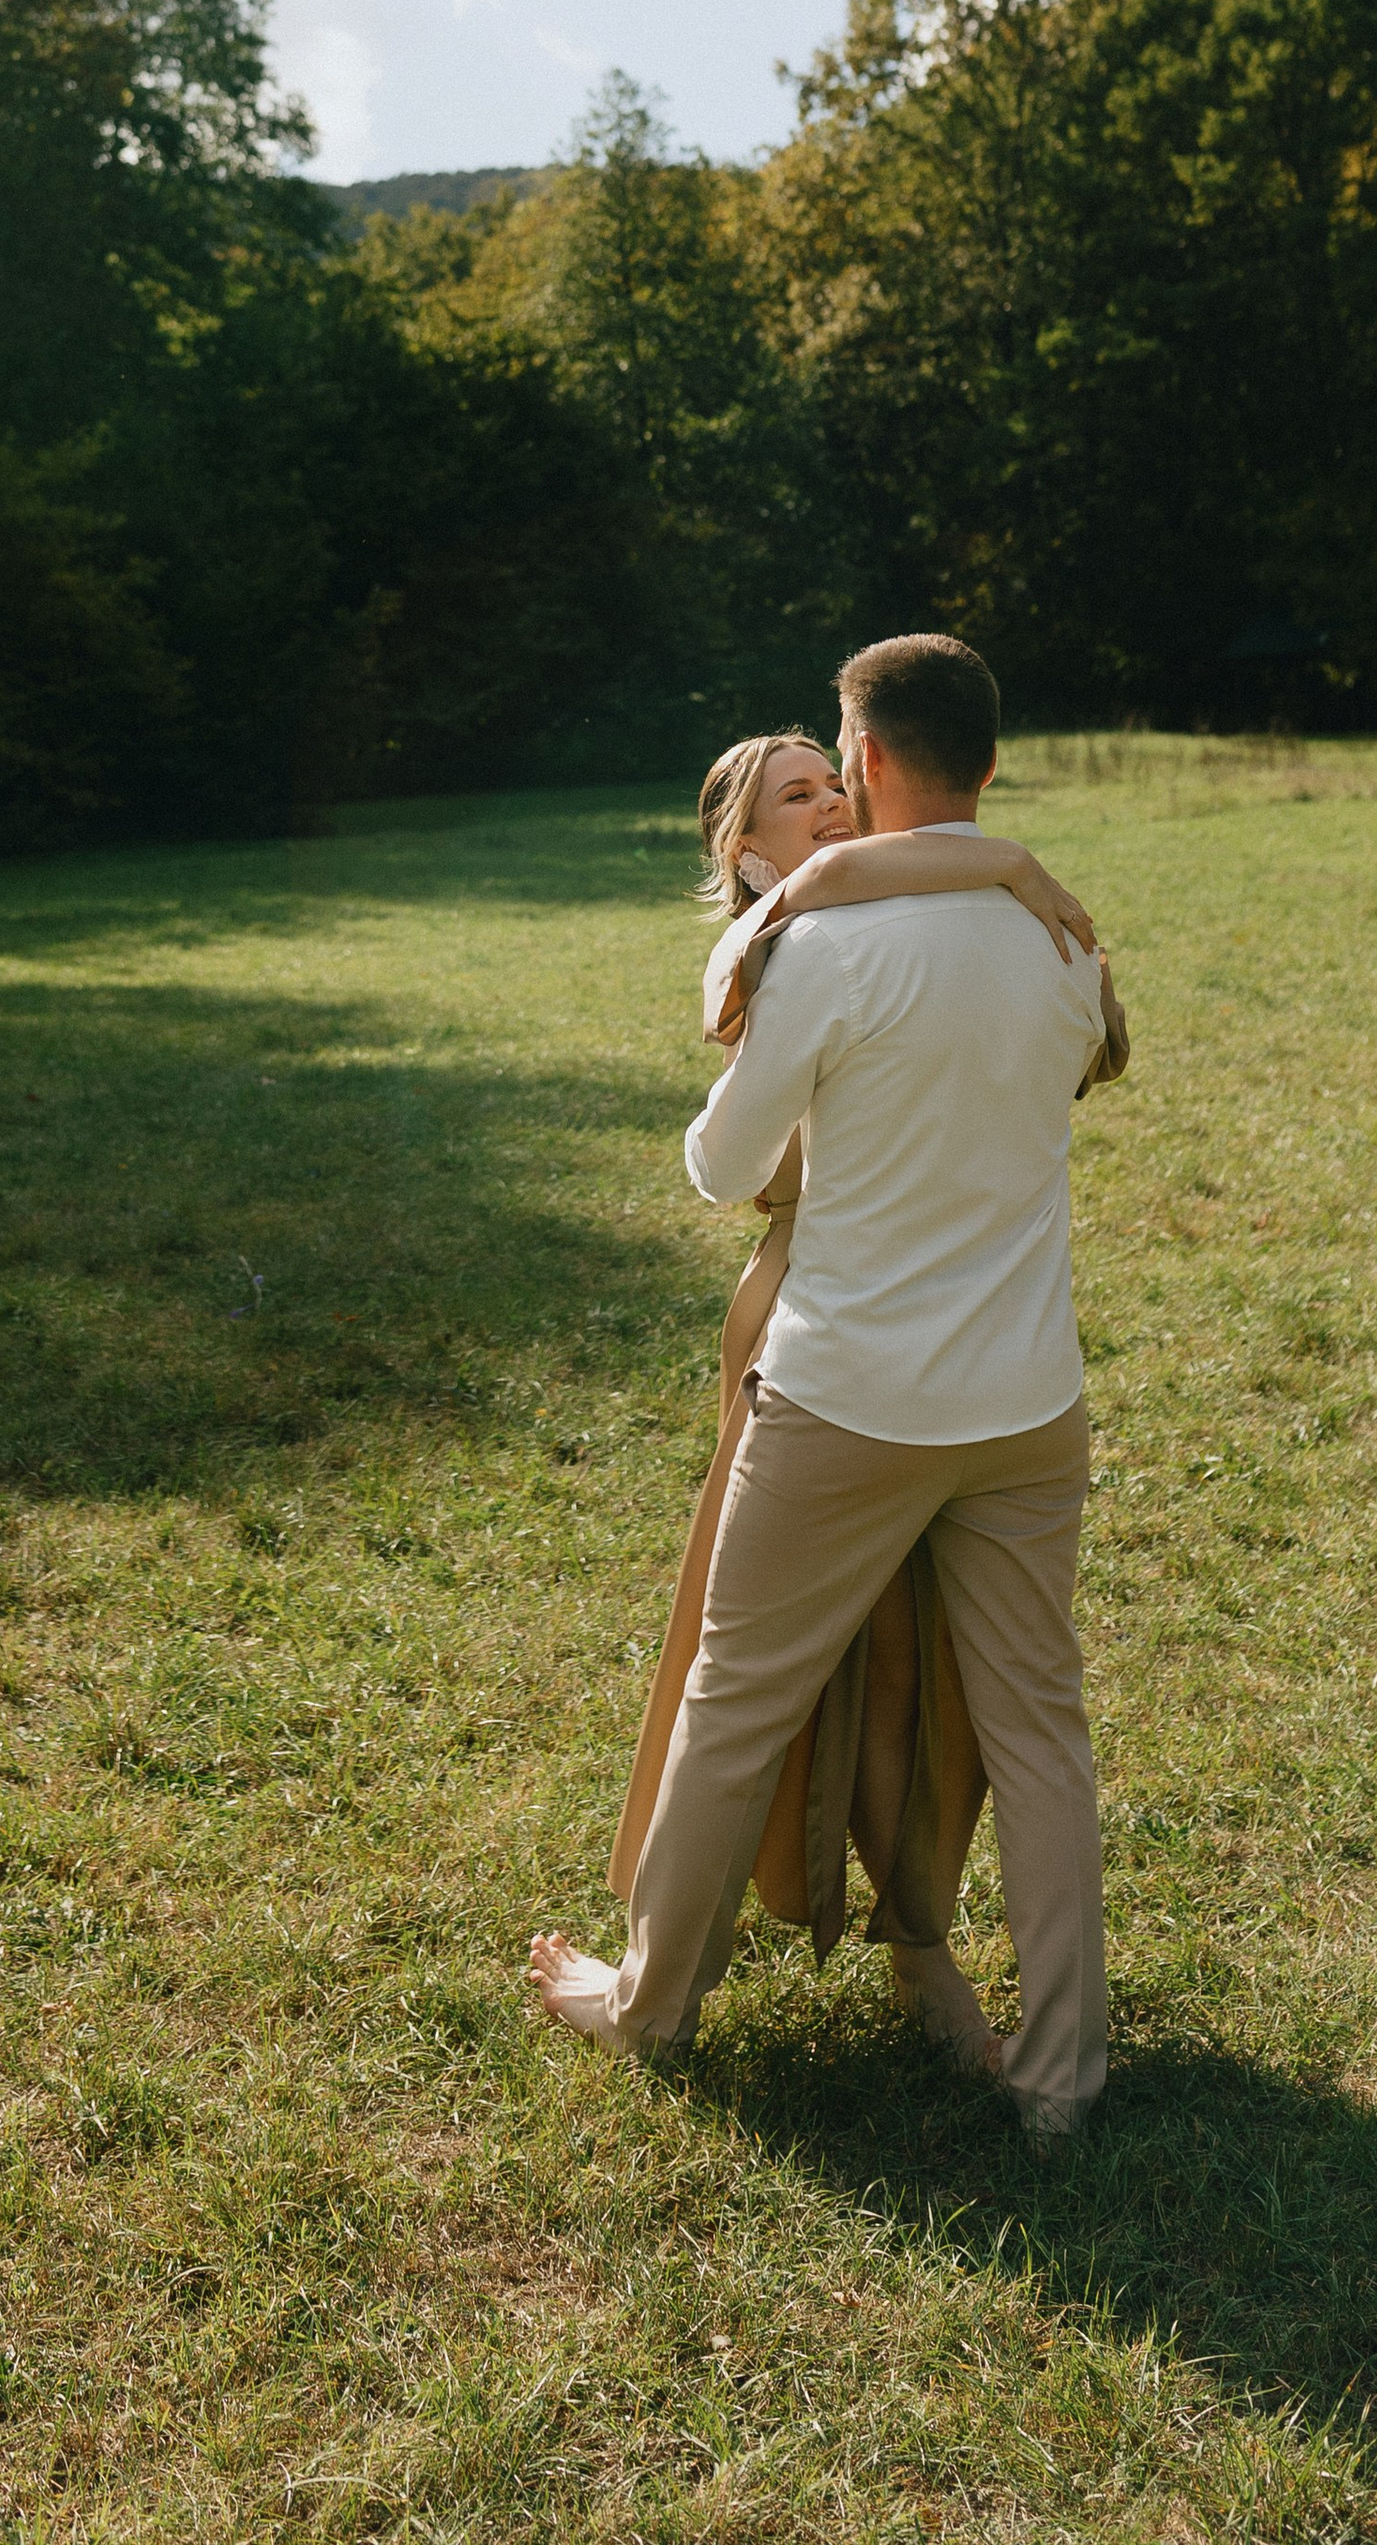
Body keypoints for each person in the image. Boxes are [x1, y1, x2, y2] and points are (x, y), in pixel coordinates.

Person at [531, 634, 1131, 2137]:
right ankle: (1063, 2078)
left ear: (862, 764)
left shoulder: (831, 951)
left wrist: (801, 928)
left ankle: (648, 2006)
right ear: (991, 759)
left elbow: (722, 1167)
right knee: (1041, 1731)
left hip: (848, 1397)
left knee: (736, 1697)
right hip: (1028, 1400)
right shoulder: (1067, 942)